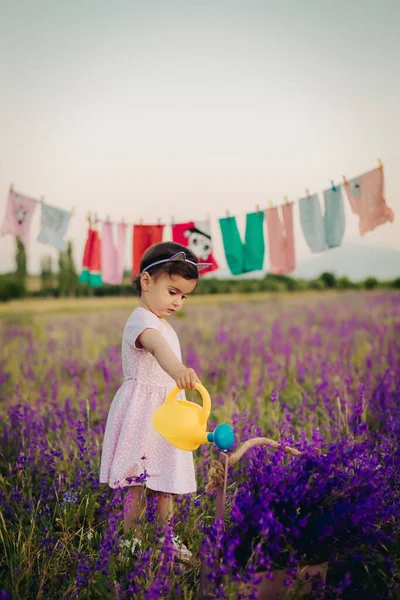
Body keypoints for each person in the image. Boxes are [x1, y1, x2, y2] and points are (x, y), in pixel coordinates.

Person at [99, 241, 211, 561]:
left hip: (166, 412)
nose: (178, 302)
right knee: (137, 480)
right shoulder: (141, 321)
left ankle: (166, 538)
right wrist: (179, 371)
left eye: (184, 296)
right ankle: (132, 542)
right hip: (142, 411)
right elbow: (160, 350)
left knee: (167, 481)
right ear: (146, 282)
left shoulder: (162, 322)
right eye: (172, 291)